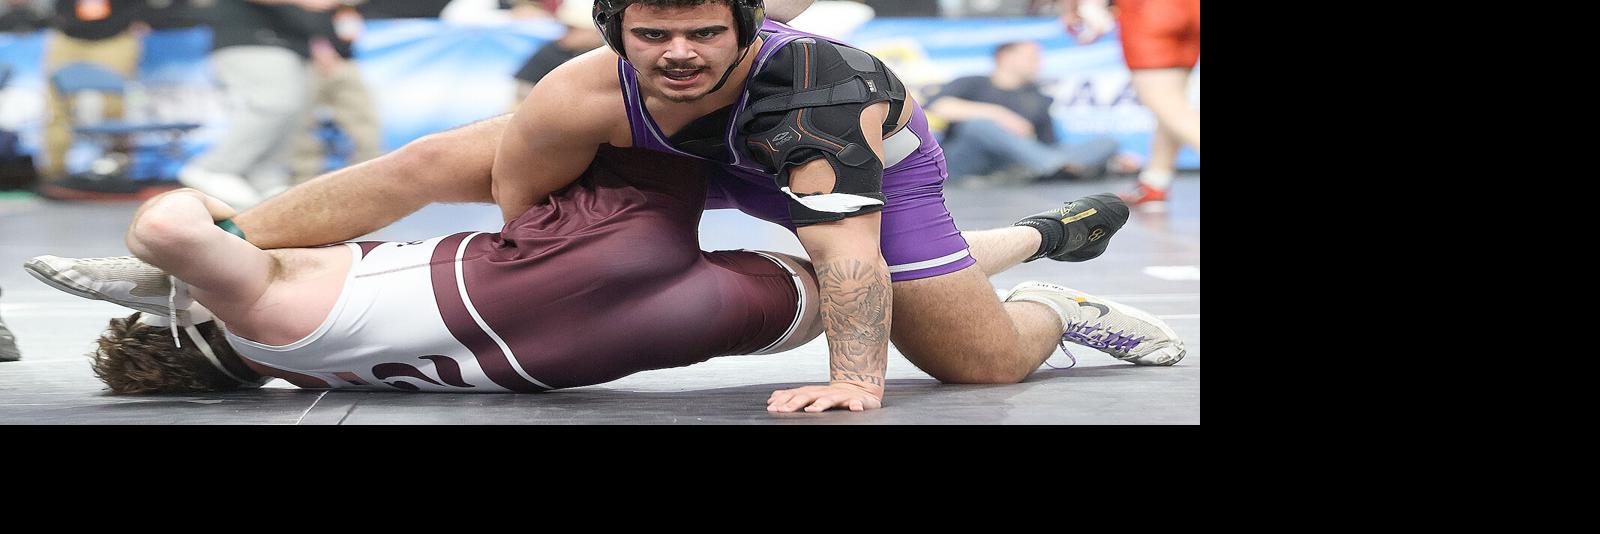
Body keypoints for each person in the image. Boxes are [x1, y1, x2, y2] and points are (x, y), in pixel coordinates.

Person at [33, 0, 1184, 411]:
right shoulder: (584, 87)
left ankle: (1031, 279)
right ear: (615, 33)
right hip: (633, 213)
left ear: (745, 31)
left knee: (962, 357)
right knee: (438, 154)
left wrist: (859, 380)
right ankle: (1044, 247)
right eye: (652, 35)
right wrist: (526, 235)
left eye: (702, 34)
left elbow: (846, 257)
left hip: (841, 180)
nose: (678, 53)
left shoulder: (825, 96)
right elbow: (504, 191)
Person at [35, 148, 1163, 406]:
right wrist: (185, 243)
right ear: (196, 320)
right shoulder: (245, 306)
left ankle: (1050, 266)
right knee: (616, 110)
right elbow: (176, 223)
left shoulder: (297, 356)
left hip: (597, 347)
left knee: (864, 282)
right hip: (536, 284)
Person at [176, 0, 336, 208]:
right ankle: (214, 168)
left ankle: (264, 179)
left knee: (294, 114)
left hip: (289, 44)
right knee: (274, 104)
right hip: (249, 39)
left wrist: (318, 43)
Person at [1062, 0, 1198, 208]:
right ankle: (1154, 181)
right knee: (1172, 104)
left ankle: (1154, 182)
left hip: (1149, 10)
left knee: (1167, 105)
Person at [925, 40, 1119, 183]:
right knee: (980, 125)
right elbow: (939, 107)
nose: (1037, 63)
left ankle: (1050, 167)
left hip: (1013, 161)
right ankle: (1056, 168)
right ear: (1004, 58)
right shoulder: (972, 82)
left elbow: (1048, 143)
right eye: (1031, 57)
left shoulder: (1036, 97)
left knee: (1107, 142)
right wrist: (999, 115)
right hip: (965, 159)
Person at [40, 0, 146, 181]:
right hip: (68, 36)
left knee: (115, 108)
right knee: (56, 108)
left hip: (114, 36)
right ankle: (54, 173)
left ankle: (118, 167)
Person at [289, 2, 382, 184]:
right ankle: (301, 178)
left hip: (342, 58)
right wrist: (318, 44)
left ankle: (370, 174)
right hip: (310, 58)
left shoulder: (345, 10)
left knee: (362, 120)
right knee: (304, 122)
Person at [513, 0, 605, 101]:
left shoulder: (605, 55)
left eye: (574, 29)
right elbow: (523, 88)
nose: (569, 34)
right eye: (568, 28)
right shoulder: (550, 52)